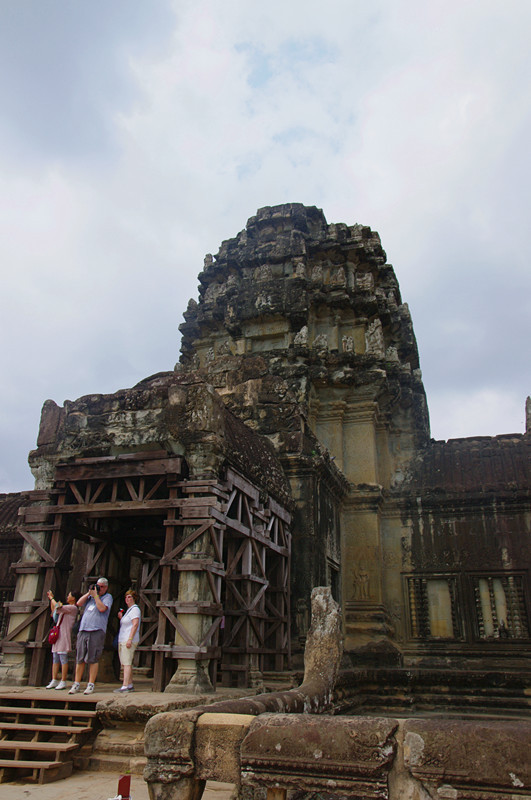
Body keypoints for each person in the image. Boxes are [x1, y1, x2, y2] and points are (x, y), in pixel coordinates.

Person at [69, 577, 113, 695]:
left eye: (102, 587)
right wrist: (89, 593)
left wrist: (96, 596)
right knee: (80, 658)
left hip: (96, 630)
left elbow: (102, 608)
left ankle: (91, 684)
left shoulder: (107, 597)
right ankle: (76, 683)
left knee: (93, 658)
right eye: (98, 586)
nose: (99, 588)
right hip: (84, 629)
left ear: (106, 587)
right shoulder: (90, 597)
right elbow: (78, 603)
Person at [45, 589, 80, 690]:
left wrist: (52, 598)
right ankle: (54, 679)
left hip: (64, 635)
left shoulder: (72, 608)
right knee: (55, 658)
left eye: (69, 595)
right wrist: (52, 601)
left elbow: (57, 606)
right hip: (58, 634)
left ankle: (63, 680)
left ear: (74, 598)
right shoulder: (66, 608)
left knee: (63, 658)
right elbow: (54, 611)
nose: (67, 597)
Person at [114, 589, 141, 693]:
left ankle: (125, 685)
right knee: (125, 662)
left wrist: (130, 639)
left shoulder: (135, 609)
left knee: (127, 662)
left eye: (129, 597)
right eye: (126, 597)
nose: (127, 599)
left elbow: (135, 624)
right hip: (123, 638)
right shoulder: (129, 610)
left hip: (128, 639)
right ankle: (129, 684)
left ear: (134, 598)